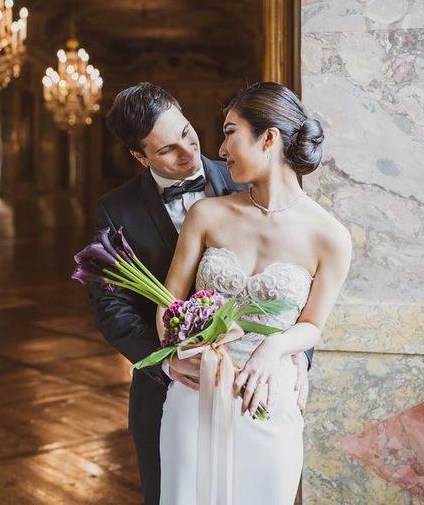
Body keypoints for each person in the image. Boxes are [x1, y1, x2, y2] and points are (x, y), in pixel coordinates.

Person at [87, 83, 314, 505]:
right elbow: (110, 306)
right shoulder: (116, 211)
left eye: (188, 133)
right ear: (141, 158)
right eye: (168, 150)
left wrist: (293, 354)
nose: (189, 153)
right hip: (171, 393)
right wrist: (168, 362)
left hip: (257, 391)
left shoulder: (251, 172)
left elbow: (301, 277)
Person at [157, 82, 352, 504]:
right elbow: (168, 302)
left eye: (230, 132)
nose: (220, 149)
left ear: (269, 138)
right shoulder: (206, 214)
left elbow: (313, 325)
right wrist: (176, 353)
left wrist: (276, 348)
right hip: (195, 392)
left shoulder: (330, 237)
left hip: (265, 397)